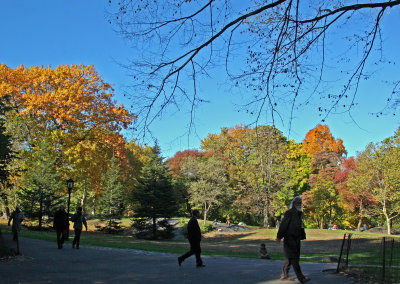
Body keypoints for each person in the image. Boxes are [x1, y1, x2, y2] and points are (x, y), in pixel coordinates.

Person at [276, 196, 310, 283]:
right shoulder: (290, 212)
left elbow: (300, 227)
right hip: (290, 238)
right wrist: (279, 236)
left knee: (288, 258)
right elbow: (284, 224)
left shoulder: (299, 213)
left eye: (300, 202)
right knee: (294, 258)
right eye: (297, 202)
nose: (299, 204)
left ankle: (284, 275)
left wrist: (302, 235)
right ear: (293, 203)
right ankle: (301, 278)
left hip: (296, 238)